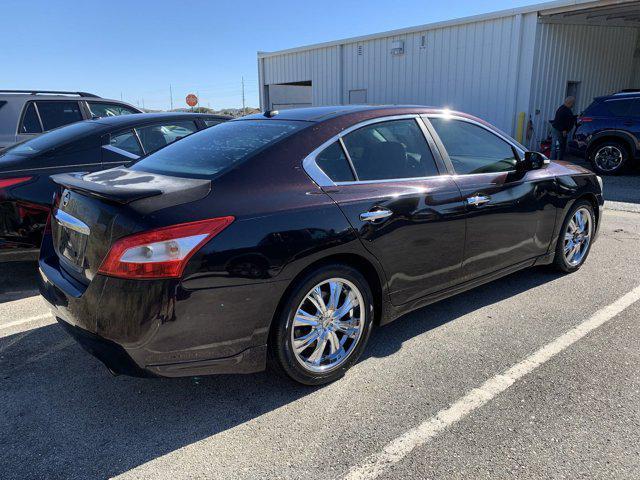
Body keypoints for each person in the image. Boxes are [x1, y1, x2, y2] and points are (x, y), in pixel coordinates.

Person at [550, 96, 576, 160]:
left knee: (561, 146)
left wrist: (576, 117)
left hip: (561, 130)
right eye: (573, 103)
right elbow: (560, 120)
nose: (573, 105)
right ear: (570, 102)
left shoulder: (566, 109)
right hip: (559, 131)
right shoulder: (562, 110)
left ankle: (559, 160)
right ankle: (553, 161)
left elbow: (569, 118)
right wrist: (564, 129)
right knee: (557, 147)